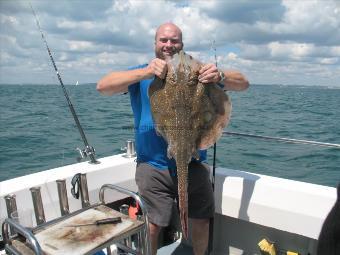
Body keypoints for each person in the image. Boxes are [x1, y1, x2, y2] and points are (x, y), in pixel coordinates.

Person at [97, 22, 249, 255]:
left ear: (182, 44)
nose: (169, 45)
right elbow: (103, 87)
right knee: (154, 222)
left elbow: (243, 83)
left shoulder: (199, 72)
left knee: (201, 219)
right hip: (152, 166)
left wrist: (220, 74)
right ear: (156, 44)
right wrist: (147, 72)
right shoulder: (143, 72)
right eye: (164, 40)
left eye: (174, 41)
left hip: (193, 160)